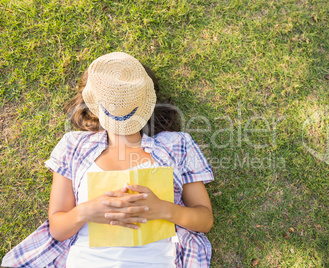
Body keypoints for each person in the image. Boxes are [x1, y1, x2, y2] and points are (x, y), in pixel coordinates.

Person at [1, 52, 214, 267]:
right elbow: (57, 230)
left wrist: (164, 209)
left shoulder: (177, 145)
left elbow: (204, 220)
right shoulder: (73, 146)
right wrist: (87, 211)